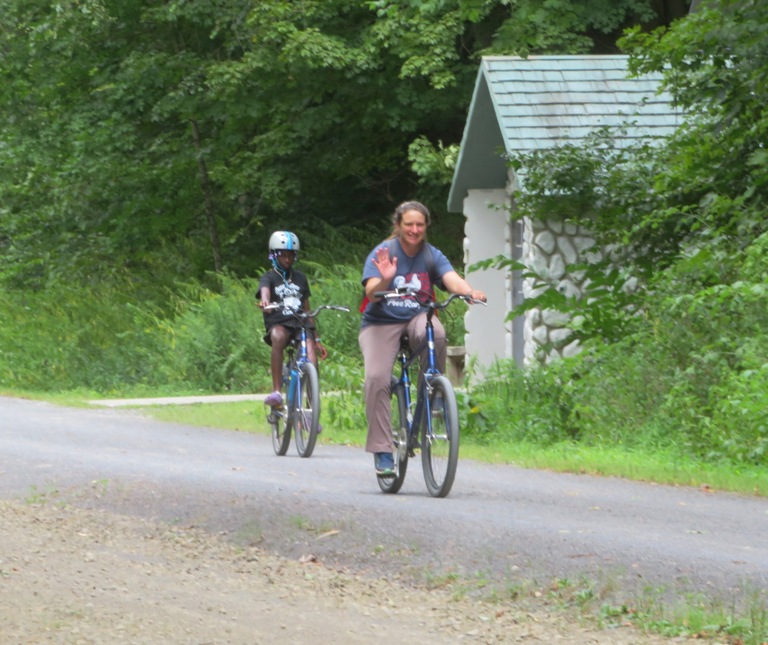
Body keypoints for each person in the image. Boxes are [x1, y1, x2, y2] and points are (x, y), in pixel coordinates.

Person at [359, 201, 487, 476]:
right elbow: (371, 293)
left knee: (437, 333)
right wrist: (385, 278)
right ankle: (382, 451)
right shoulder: (384, 252)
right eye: (409, 225)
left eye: (420, 225)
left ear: (426, 226)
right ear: (399, 226)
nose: (415, 230)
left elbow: (450, 278)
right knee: (377, 378)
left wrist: (469, 292)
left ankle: (432, 393)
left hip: (418, 315)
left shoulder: (431, 254)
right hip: (381, 321)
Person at [258, 231, 327, 408]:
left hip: (300, 324)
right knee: (278, 337)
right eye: (283, 256)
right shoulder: (269, 277)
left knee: (311, 356)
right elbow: (265, 291)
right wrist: (265, 301)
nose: (287, 260)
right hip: (279, 322)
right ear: (274, 255)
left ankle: (312, 409)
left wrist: (316, 337)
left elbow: (307, 308)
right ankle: (276, 392)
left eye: (290, 256)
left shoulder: (300, 278)